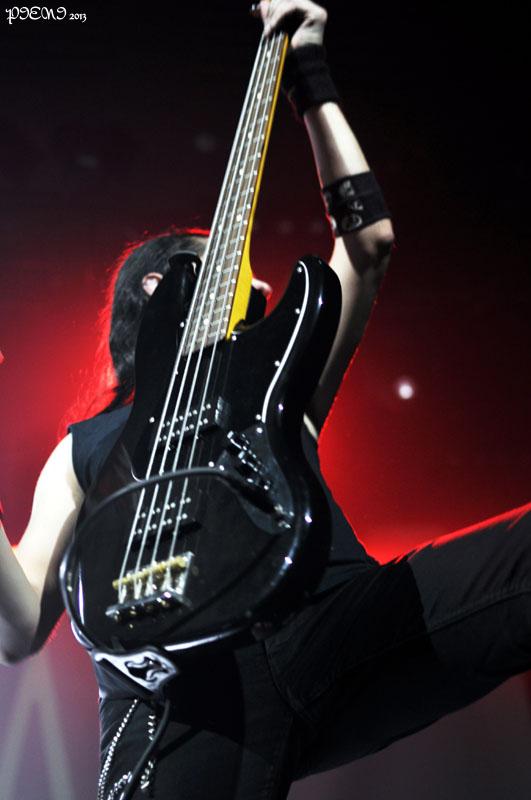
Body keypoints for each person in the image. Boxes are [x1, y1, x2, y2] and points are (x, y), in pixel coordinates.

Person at [2, 1, 531, 798]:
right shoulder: (83, 450)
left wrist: (308, 68)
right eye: (221, 257)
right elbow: (18, 629)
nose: (249, 273)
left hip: (331, 629)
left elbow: (368, 245)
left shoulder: (277, 371)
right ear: (160, 287)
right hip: (181, 706)